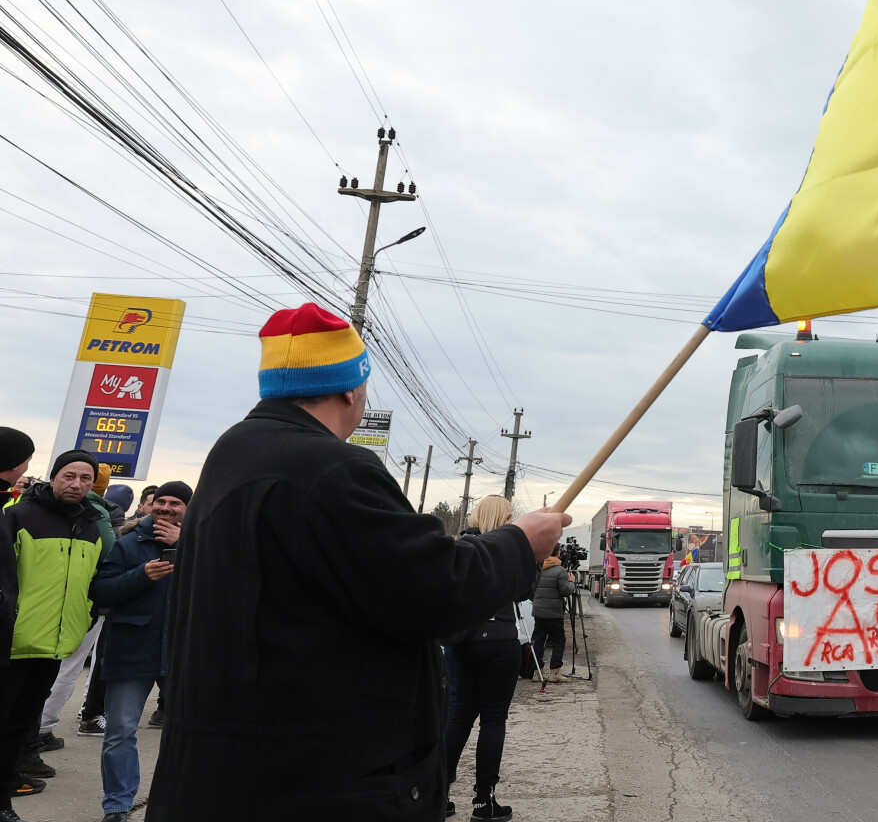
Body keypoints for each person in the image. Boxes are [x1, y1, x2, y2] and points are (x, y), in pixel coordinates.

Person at [147, 303, 566, 822]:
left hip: (232, 767)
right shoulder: (331, 469)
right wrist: (520, 542)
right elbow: (434, 591)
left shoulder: (234, 452)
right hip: (313, 779)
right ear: (352, 390)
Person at [0, 450, 109, 818]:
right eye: (69, 476)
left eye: (85, 479)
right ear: (53, 477)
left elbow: (91, 583)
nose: (77, 484)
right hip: (12, 645)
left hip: (53, 649)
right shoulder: (17, 516)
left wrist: (84, 618)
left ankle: (3, 801)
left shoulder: (92, 525)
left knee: (18, 732)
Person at [89, 480, 189, 822]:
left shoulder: (205, 546)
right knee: (120, 732)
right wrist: (141, 575)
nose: (166, 508)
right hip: (132, 650)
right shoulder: (127, 544)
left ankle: (182, 801)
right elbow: (101, 592)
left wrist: (188, 548)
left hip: (183, 652)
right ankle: (117, 806)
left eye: (176, 503)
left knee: (193, 733)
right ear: (148, 506)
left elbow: (227, 589)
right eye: (161, 501)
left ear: (188, 510)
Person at [444, 496, 532, 820]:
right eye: (509, 514)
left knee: (459, 716)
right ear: (501, 516)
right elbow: (526, 591)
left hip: (464, 641)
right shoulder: (509, 550)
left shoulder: (461, 546)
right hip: (499, 641)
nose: (512, 518)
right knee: (493, 721)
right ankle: (484, 802)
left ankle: (437, 793)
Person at [529, 547, 574, 671]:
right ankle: (555, 671)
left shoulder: (537, 567)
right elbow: (565, 591)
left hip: (538, 611)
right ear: (558, 553)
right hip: (554, 613)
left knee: (538, 640)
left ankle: (537, 671)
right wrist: (572, 583)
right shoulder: (560, 570)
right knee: (559, 641)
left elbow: (531, 590)